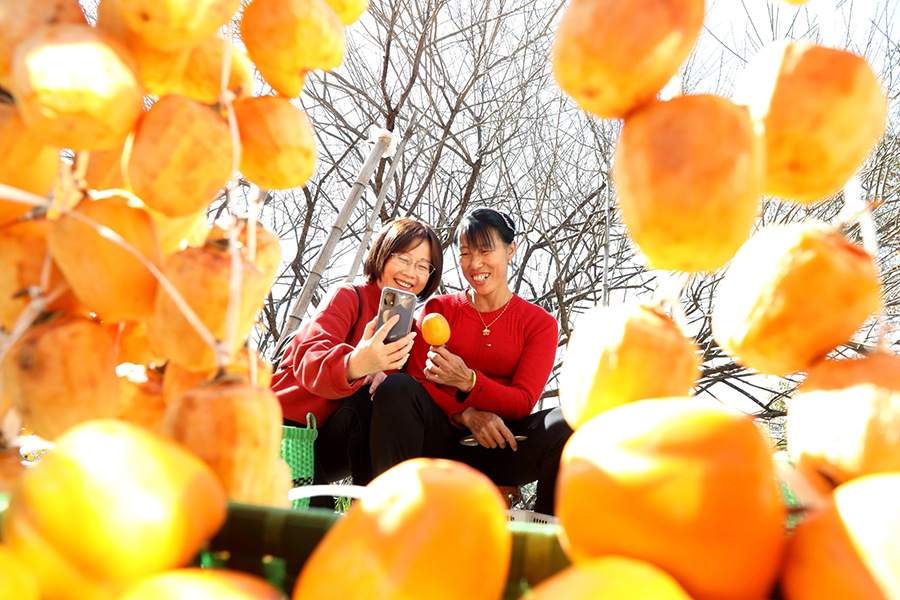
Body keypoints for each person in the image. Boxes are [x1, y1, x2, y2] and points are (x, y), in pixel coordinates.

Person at [370, 208, 573, 515]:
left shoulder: (539, 324)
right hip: (442, 440)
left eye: (485, 250)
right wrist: (466, 414)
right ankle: (389, 515)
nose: (474, 263)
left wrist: (470, 382)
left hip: (502, 446)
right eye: (464, 253)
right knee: (397, 387)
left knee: (566, 421)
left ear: (511, 250)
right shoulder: (441, 307)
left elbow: (522, 401)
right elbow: (418, 378)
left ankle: (548, 541)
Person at [271, 218, 443, 505]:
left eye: (423, 266)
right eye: (403, 258)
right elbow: (308, 357)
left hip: (333, 441)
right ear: (382, 254)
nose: (410, 272)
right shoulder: (349, 297)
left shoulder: (413, 331)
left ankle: (371, 511)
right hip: (289, 430)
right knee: (315, 524)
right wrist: (357, 365)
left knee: (384, 396)